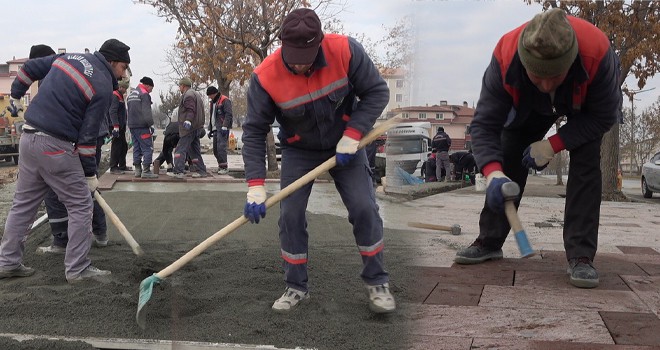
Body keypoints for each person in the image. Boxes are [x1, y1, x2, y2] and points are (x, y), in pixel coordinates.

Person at [454, 8, 622, 289]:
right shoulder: (505, 57)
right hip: (527, 105)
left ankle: (581, 256)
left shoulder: (598, 54)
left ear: (569, 62)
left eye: (553, 77)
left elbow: (603, 117)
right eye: (538, 76)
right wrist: (493, 174)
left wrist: (553, 144)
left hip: (582, 103)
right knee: (509, 150)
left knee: (587, 162)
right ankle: (490, 241)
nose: (545, 85)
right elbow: (485, 125)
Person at [242, 8, 395, 314]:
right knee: (290, 215)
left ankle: (377, 282)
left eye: (307, 55)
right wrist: (256, 186)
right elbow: (254, 132)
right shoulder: (265, 76)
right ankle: (296, 287)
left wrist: (353, 134)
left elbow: (377, 92)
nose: (300, 63)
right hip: (300, 150)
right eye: (294, 55)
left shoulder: (345, 51)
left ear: (320, 42)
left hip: (346, 146)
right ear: (282, 44)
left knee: (364, 208)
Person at [0, 38, 131, 282]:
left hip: (29, 139)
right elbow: (87, 139)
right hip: (56, 145)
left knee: (23, 204)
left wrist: (16, 95)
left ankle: (7, 262)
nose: (124, 74)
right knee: (81, 204)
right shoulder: (102, 86)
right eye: (124, 67)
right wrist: (90, 175)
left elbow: (29, 68)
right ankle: (78, 268)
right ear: (112, 62)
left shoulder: (69, 57)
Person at [167, 77, 208, 179]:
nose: (179, 88)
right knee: (194, 151)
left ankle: (178, 171)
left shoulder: (188, 95)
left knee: (180, 149)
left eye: (180, 86)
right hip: (197, 127)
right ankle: (201, 171)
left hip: (189, 127)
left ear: (183, 86)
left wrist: (188, 120)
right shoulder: (196, 94)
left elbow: (190, 109)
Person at [127, 76, 158, 178]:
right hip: (142, 126)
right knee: (148, 148)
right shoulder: (144, 94)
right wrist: (151, 124)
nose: (150, 91)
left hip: (132, 125)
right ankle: (146, 171)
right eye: (151, 89)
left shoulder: (131, 94)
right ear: (147, 85)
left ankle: (137, 171)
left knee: (136, 147)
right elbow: (146, 111)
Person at [206, 86, 233, 175]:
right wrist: (210, 129)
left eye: (210, 95)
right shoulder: (212, 103)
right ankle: (220, 165)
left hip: (222, 129)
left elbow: (228, 114)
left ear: (214, 93)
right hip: (215, 129)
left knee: (221, 148)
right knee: (215, 149)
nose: (209, 97)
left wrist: (225, 126)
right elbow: (212, 117)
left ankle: (224, 167)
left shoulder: (225, 100)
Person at [108, 78, 130, 174]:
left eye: (125, 88)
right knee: (116, 146)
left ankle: (122, 165)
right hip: (117, 127)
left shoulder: (121, 97)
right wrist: (115, 126)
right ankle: (113, 167)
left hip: (121, 126)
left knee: (124, 146)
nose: (125, 90)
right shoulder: (115, 96)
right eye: (124, 88)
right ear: (120, 87)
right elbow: (112, 111)